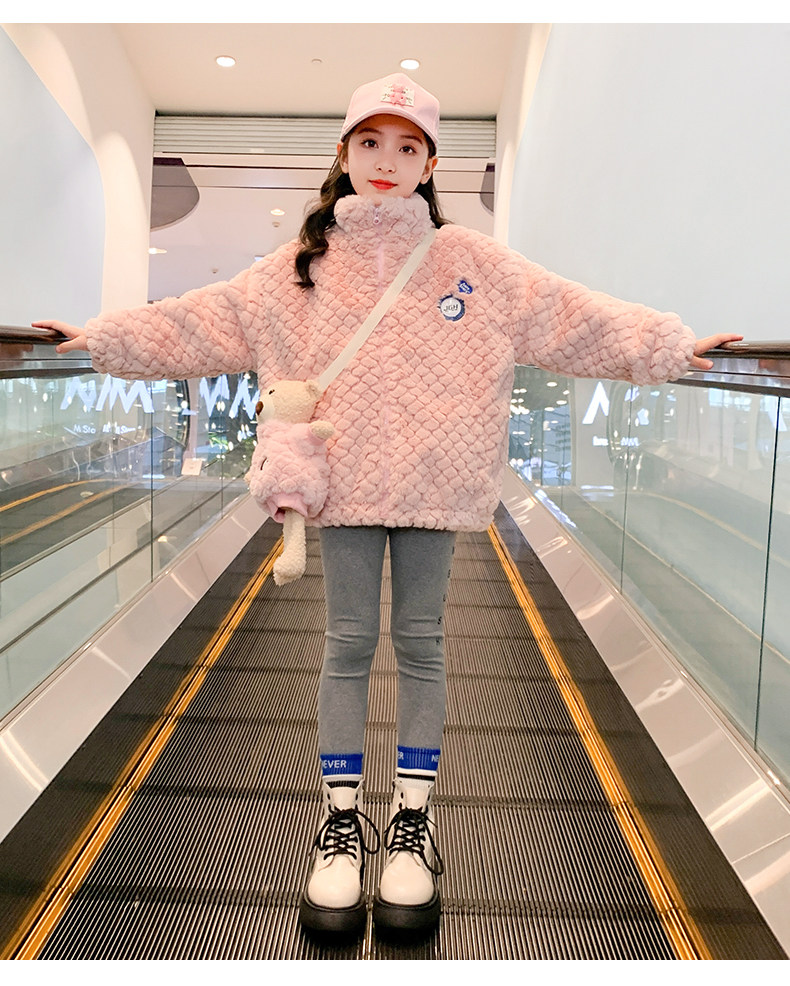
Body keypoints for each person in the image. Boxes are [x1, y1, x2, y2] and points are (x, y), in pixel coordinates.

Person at [35, 72, 741, 939]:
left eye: (407, 147)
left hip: (439, 482)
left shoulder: (472, 264)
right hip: (341, 480)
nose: (386, 160)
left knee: (421, 641)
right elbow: (198, 321)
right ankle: (340, 823)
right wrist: (102, 339)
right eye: (370, 142)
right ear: (343, 151)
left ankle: (412, 819)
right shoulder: (296, 270)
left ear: (429, 165)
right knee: (346, 642)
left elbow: (569, 315)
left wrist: (667, 344)